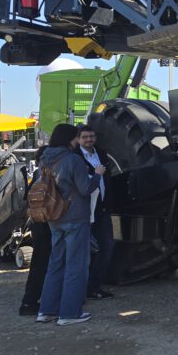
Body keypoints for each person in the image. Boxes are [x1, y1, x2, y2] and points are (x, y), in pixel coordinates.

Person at [36, 124, 104, 326]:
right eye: (76, 137)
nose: (77, 141)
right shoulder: (73, 159)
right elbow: (85, 189)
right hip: (75, 217)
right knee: (76, 265)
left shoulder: (45, 159)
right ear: (69, 139)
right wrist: (98, 174)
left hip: (54, 217)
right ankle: (69, 313)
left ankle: (46, 310)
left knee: (56, 263)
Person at [75, 124, 115, 300]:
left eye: (91, 136)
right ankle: (81, 289)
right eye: (85, 137)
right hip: (85, 212)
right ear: (78, 139)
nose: (89, 140)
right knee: (85, 252)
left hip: (102, 209)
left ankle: (95, 287)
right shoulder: (75, 157)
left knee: (106, 247)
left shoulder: (101, 153)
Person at [19, 146, 52, 316]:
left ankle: (31, 301)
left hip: (38, 222)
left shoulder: (39, 174)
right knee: (41, 264)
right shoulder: (45, 176)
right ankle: (30, 302)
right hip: (44, 224)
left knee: (40, 264)